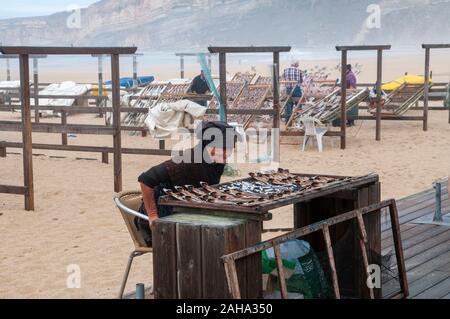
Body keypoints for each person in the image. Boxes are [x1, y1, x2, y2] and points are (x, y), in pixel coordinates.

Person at [136, 121, 240, 247]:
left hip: (186, 213)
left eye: (230, 148)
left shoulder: (217, 163)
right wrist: (153, 216)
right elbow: (146, 179)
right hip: (162, 220)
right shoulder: (186, 161)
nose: (228, 153)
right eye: (225, 148)